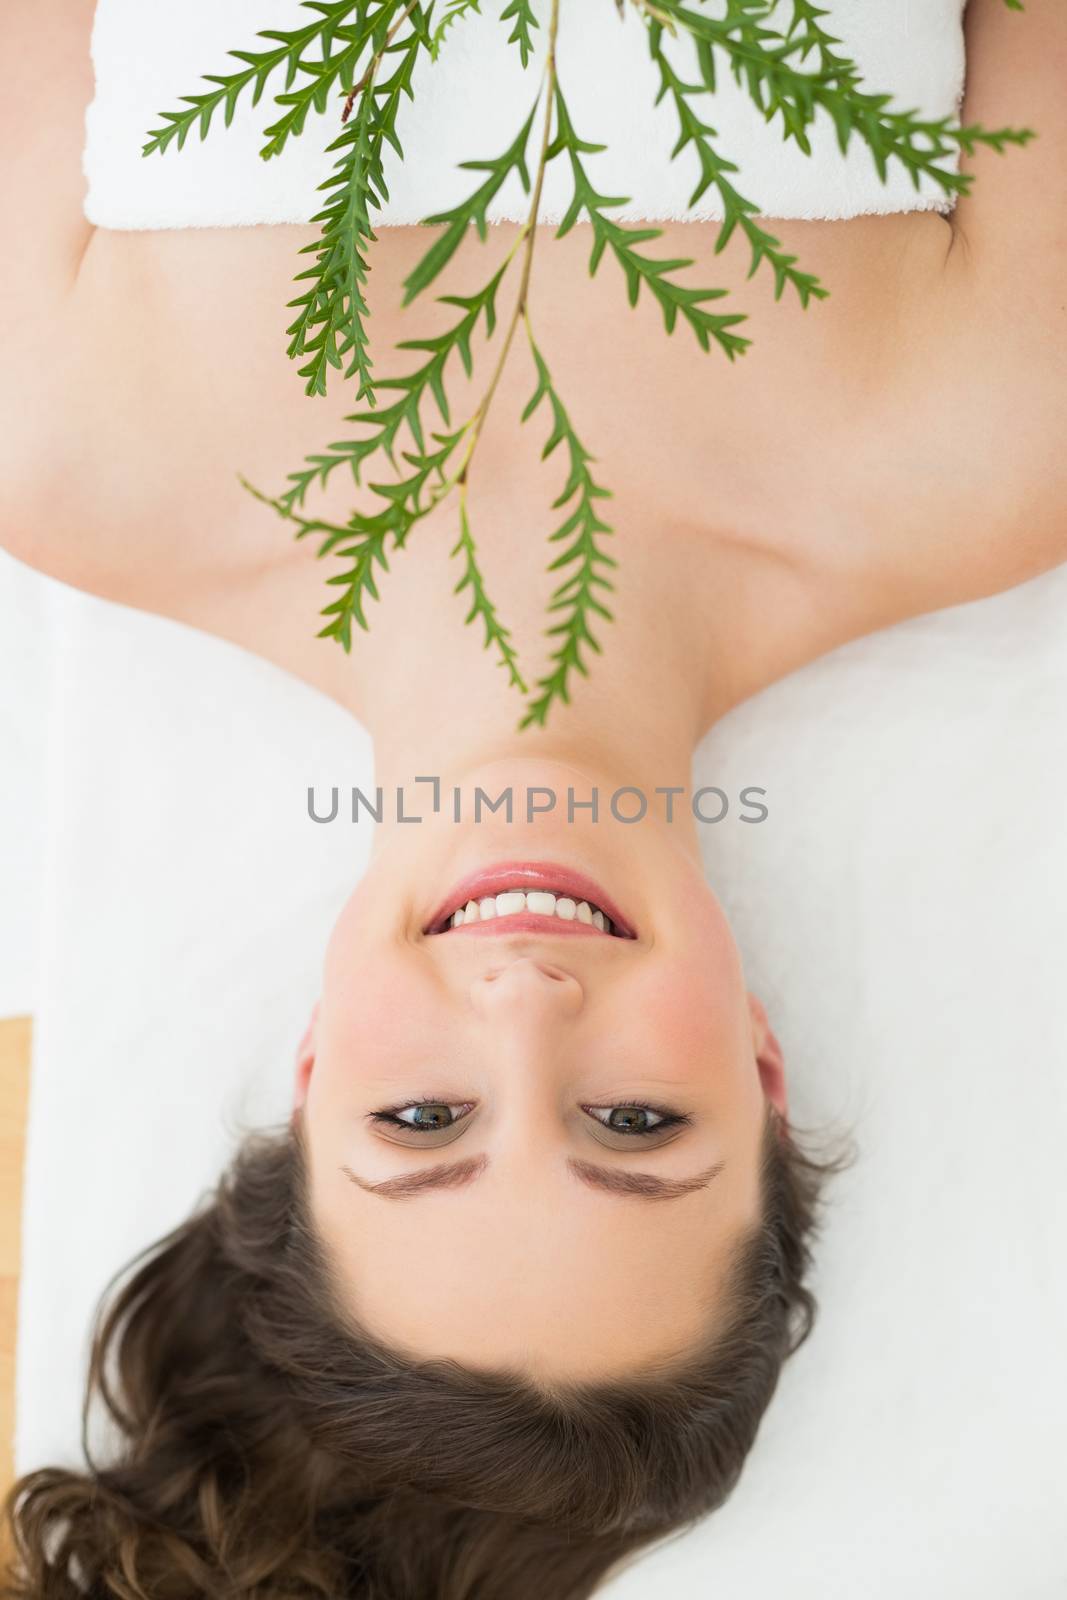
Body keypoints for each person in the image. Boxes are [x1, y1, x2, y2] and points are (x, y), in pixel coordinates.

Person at [2, 2, 1064, 1596]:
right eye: (635, 1122)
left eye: (421, 1121)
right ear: (763, 1074)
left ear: (307, 1072)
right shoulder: (989, 450)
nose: (522, 1004)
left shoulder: (67, 453)